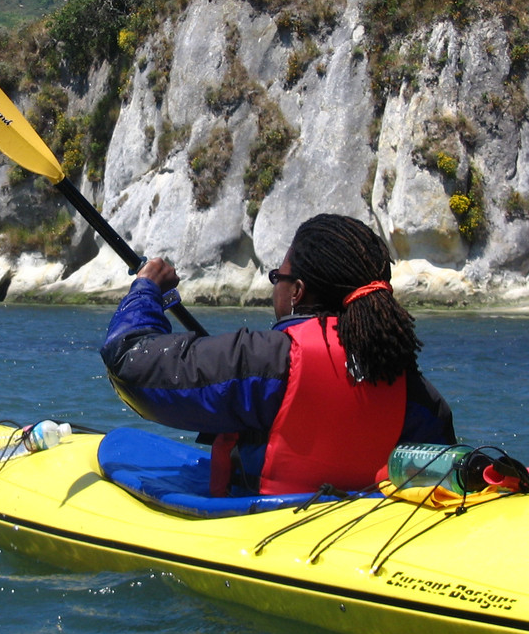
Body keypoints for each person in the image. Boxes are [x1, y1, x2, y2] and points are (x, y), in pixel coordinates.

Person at [100, 213, 456, 497]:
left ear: (296, 292)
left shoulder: (264, 361)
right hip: (361, 534)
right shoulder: (412, 387)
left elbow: (129, 359)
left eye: (277, 277)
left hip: (264, 531)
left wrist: (146, 290)